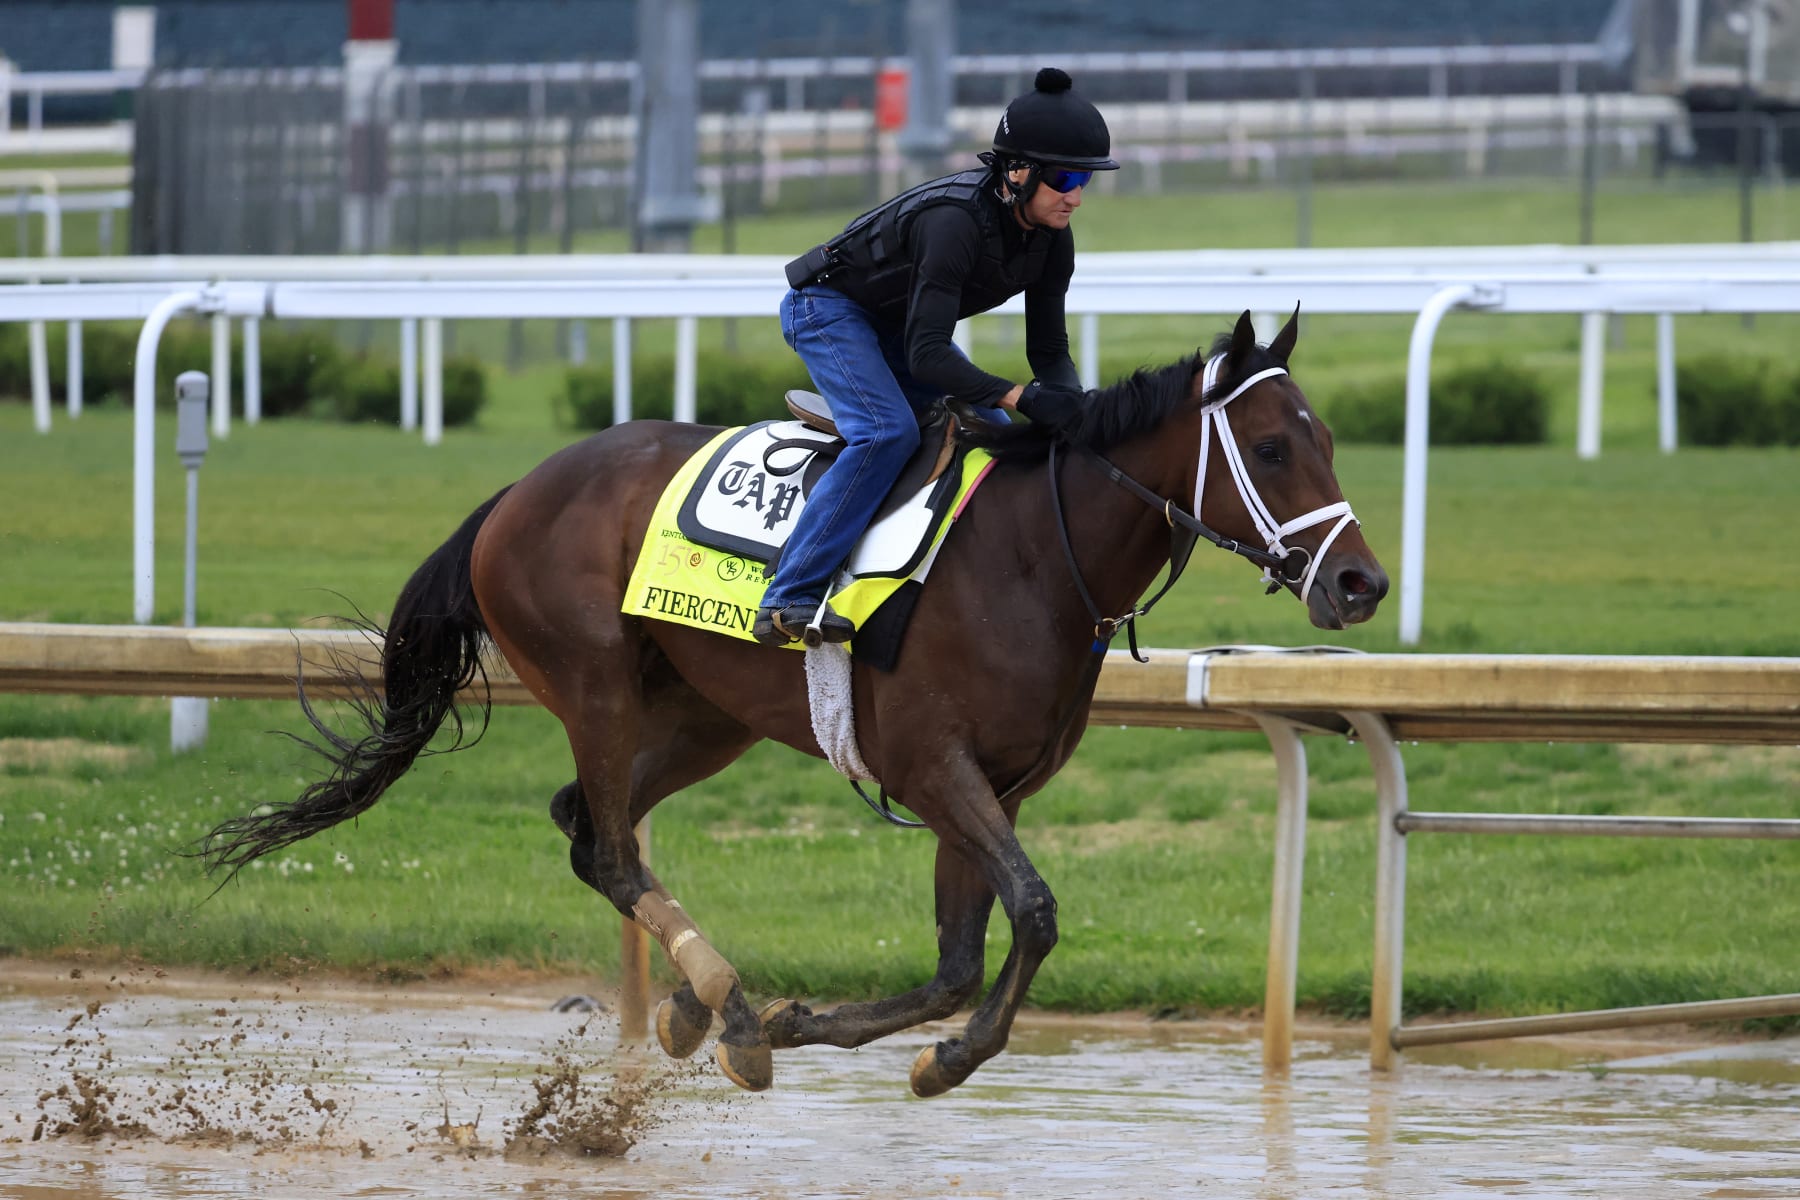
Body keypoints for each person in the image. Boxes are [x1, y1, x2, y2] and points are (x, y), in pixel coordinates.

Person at [754, 66, 1118, 647]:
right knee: (886, 432)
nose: (1076, 195)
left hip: (900, 328)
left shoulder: (1054, 236)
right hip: (828, 309)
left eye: (1087, 180)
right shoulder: (953, 223)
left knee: (999, 436)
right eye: (1066, 177)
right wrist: (1024, 396)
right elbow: (927, 356)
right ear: (1018, 172)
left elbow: (1048, 349)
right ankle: (787, 596)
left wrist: (1075, 413)